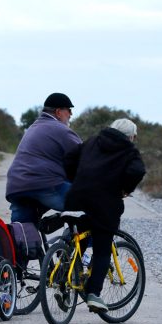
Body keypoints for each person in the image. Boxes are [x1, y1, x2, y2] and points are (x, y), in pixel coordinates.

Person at [63, 118, 146, 312]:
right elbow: (137, 171)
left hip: (75, 198)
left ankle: (63, 281)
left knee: (79, 241)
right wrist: (124, 188)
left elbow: (69, 158)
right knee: (102, 249)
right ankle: (93, 294)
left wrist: (77, 180)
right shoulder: (128, 150)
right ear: (131, 136)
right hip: (104, 204)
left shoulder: (92, 141)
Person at [5, 93, 82, 224]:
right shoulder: (61, 129)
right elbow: (86, 156)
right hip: (44, 185)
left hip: (16, 187)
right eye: (69, 110)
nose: (71, 114)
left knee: (23, 235)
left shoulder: (33, 128)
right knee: (94, 202)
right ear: (58, 112)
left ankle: (27, 244)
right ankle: (78, 240)